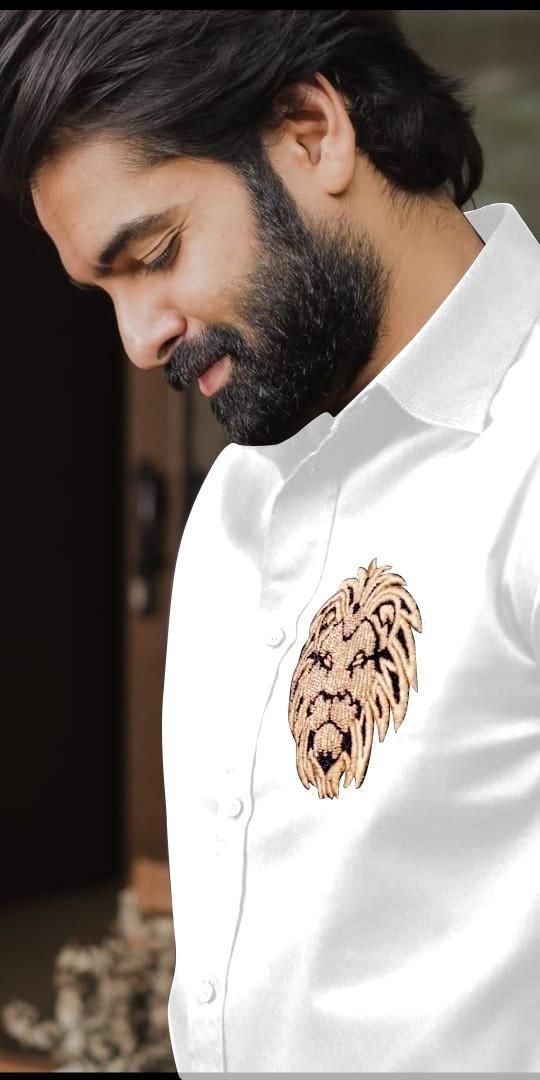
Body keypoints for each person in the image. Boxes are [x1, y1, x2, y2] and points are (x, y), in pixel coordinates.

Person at [1, 10, 539, 1073]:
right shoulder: (236, 499)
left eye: (155, 254)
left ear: (311, 130)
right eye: (106, 292)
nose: (138, 338)